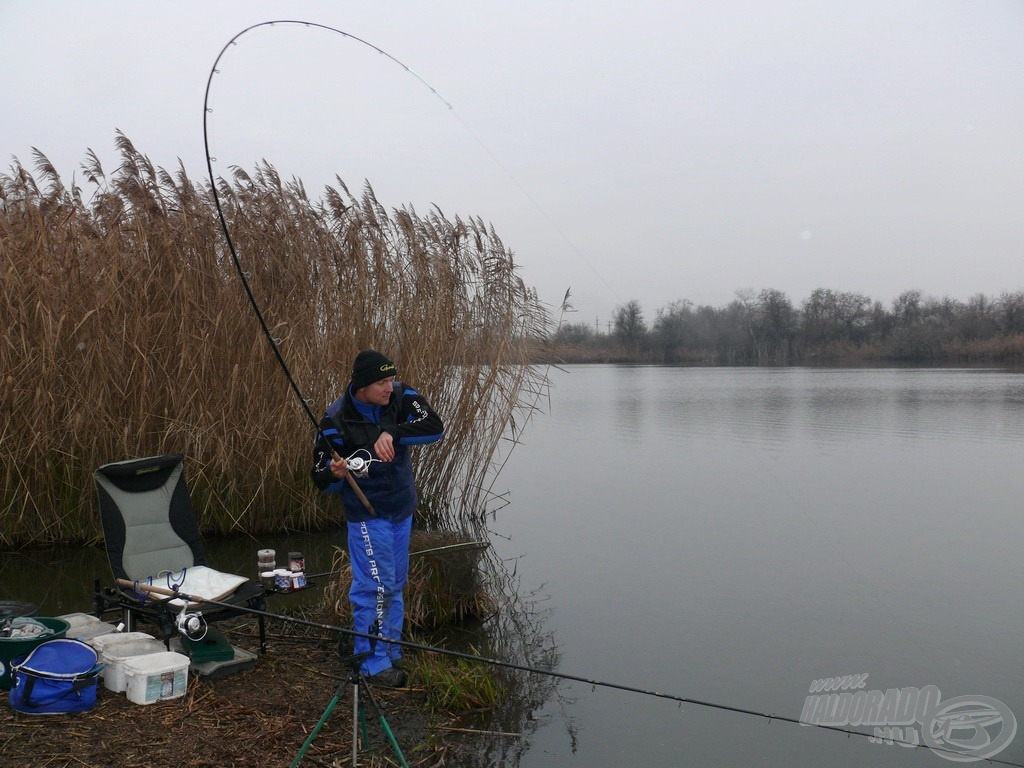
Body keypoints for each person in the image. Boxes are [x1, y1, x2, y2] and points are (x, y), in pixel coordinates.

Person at [311, 349, 444, 687]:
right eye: (382, 382)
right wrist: (335, 472)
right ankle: (371, 662)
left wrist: (393, 433)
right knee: (374, 587)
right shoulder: (335, 420)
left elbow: (434, 426)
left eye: (390, 379)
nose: (389, 387)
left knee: (395, 582)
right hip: (367, 517)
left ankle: (390, 648)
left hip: (402, 509)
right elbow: (319, 478)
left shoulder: (402, 396)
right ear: (362, 385)